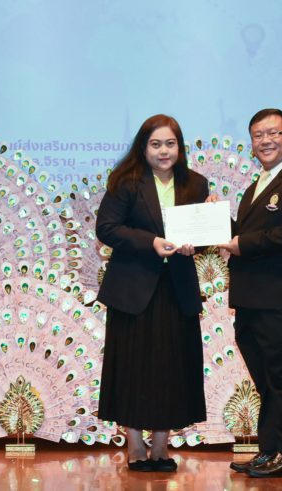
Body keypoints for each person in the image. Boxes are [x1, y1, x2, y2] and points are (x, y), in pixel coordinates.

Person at [95, 114, 209, 473]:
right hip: (132, 291)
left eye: (170, 144)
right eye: (156, 144)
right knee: (132, 367)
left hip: (177, 290)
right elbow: (107, 228)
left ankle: (161, 447)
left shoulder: (196, 184)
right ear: (143, 147)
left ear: (180, 147)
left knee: (172, 368)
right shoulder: (125, 181)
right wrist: (152, 242)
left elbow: (203, 237)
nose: (163, 151)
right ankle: (134, 445)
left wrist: (197, 243)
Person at [219, 108, 282, 479]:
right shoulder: (256, 186)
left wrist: (242, 243)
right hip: (249, 299)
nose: (265, 141)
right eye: (257, 135)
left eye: (272, 133)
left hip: (280, 298)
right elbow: (245, 236)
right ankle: (269, 450)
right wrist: (218, 221)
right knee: (266, 381)